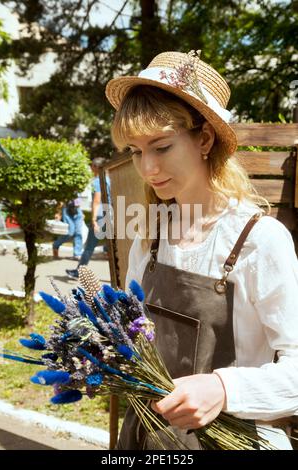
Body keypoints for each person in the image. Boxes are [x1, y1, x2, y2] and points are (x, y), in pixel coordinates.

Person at [105, 50, 298, 450]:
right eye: (136, 152)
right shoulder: (151, 234)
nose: (147, 169)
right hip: (148, 439)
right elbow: (131, 332)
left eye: (161, 147)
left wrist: (223, 388)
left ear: (204, 139)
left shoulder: (259, 240)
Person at [66, 157, 109, 280]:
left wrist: (94, 219)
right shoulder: (109, 180)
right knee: (111, 247)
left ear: (96, 167)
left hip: (101, 215)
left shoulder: (97, 181)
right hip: (110, 215)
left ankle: (79, 273)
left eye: (92, 166)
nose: (90, 168)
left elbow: (96, 200)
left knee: (89, 246)